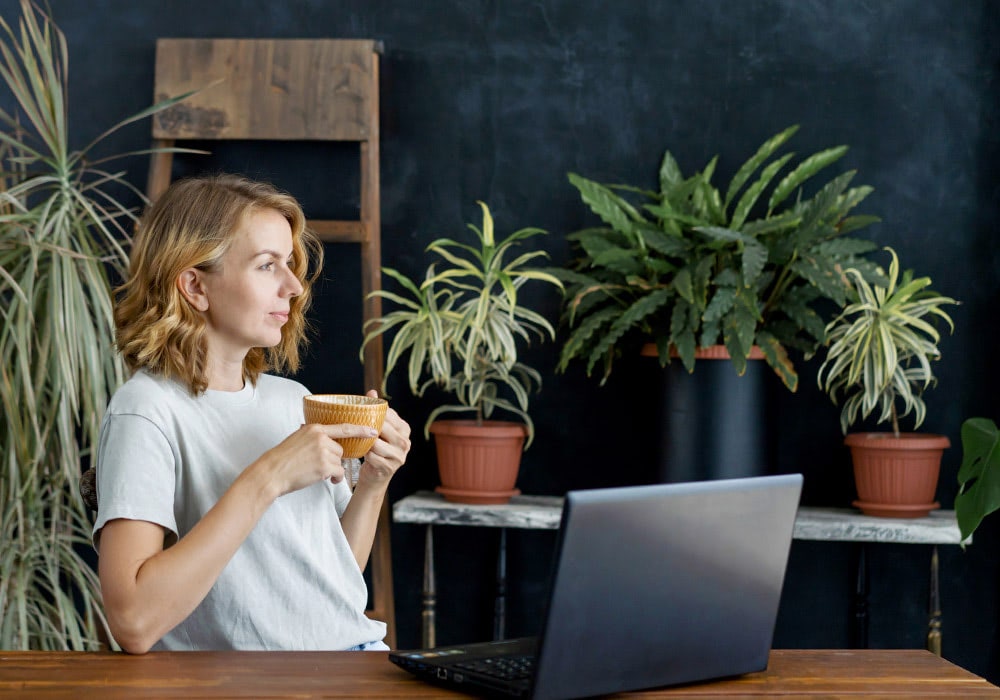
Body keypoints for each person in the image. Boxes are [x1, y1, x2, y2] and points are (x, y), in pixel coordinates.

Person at [93, 173, 411, 654]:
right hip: (263, 682)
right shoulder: (147, 410)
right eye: (267, 266)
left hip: (354, 663)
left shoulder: (292, 400)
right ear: (195, 286)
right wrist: (268, 477)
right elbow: (133, 621)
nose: (294, 287)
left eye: (290, 264)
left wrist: (373, 483)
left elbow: (332, 577)